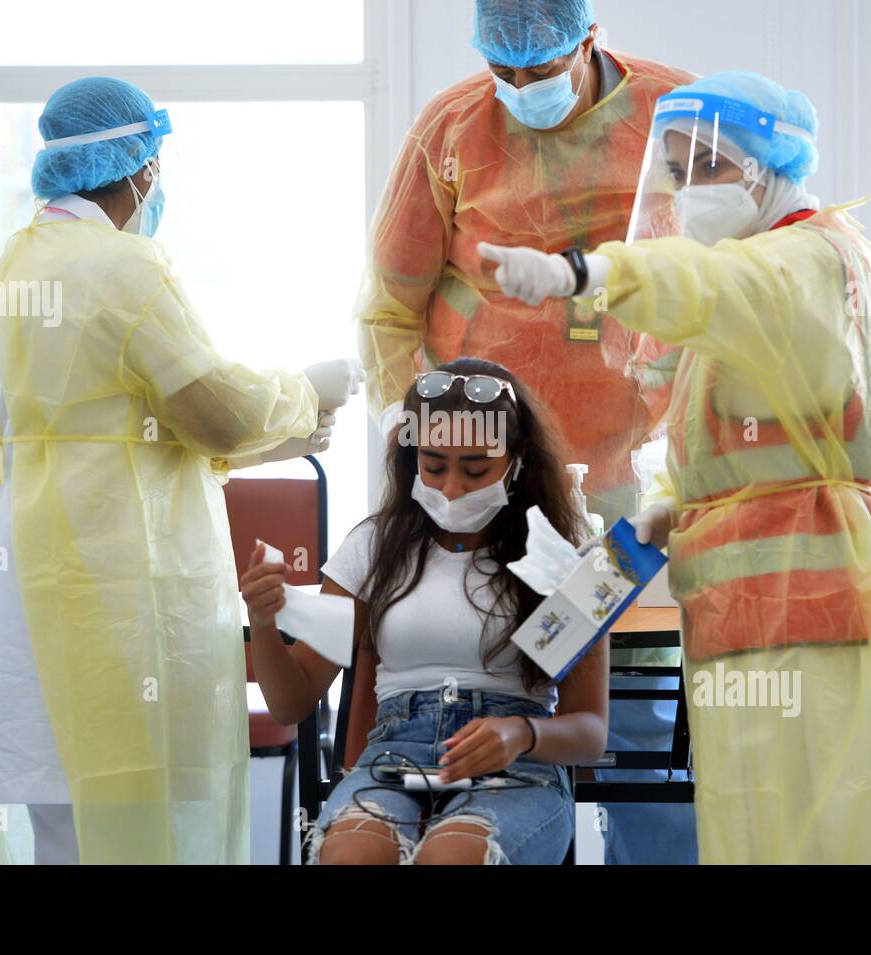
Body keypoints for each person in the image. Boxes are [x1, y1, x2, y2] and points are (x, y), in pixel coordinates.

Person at [481, 70, 871, 863]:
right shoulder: (758, 280)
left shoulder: (805, 262)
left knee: (832, 837)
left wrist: (586, 274)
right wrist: (671, 504)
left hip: (816, 616)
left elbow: (710, 284)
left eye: (710, 166)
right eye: (678, 172)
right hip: (749, 620)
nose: (689, 192)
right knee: (755, 833)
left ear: (771, 165)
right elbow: (739, 440)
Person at [0, 76, 363, 864]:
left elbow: (122, 424)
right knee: (136, 811)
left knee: (64, 813)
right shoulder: (124, 268)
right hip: (112, 571)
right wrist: (303, 391)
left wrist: (286, 437)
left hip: (29, 569)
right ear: (141, 166)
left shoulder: (13, 268)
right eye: (158, 164)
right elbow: (213, 411)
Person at [355, 0, 699, 866]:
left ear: (588, 39)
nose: (518, 88)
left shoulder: (678, 117)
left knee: (634, 718)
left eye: (539, 71)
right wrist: (419, 441)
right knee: (491, 691)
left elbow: (718, 286)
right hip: (476, 488)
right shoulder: (451, 129)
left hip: (625, 477)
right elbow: (388, 307)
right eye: (501, 71)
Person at [241, 358, 608, 864]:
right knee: (351, 854)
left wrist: (522, 734)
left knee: (455, 855)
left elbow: (590, 732)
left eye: (475, 469)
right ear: (411, 458)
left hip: (518, 766)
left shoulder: (562, 554)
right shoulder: (374, 547)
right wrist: (264, 622)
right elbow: (292, 703)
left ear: (518, 457)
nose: (451, 488)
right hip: (394, 758)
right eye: (433, 466)